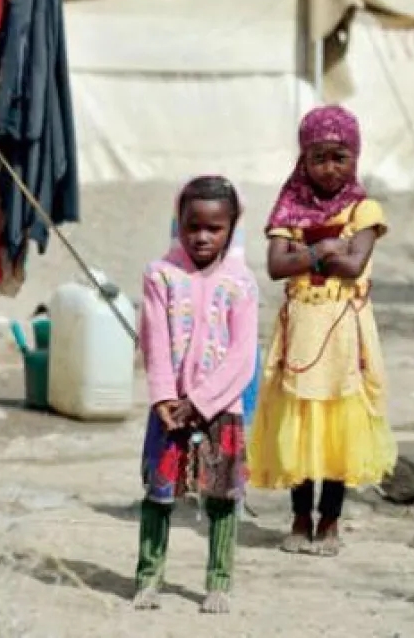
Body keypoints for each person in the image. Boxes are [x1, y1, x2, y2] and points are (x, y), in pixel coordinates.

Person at [248, 105, 398, 558]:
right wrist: (324, 250)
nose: (329, 168)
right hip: (302, 334)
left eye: (340, 157)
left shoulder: (365, 208)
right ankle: (298, 518)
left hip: (343, 334)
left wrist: (308, 250)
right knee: (302, 423)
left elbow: (353, 266)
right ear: (303, 159)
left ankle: (329, 522)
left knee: (338, 426)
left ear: (355, 156)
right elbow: (277, 266)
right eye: (319, 158)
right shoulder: (289, 206)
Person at [134, 176, 258, 614]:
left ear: (231, 227)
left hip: (220, 409)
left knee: (223, 495)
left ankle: (219, 581)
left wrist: (202, 401)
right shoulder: (161, 276)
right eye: (192, 226)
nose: (201, 237)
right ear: (178, 222)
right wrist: (166, 398)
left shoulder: (241, 284)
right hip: (169, 410)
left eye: (214, 228)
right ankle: (149, 576)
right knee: (159, 490)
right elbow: (154, 339)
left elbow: (243, 357)